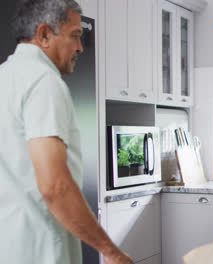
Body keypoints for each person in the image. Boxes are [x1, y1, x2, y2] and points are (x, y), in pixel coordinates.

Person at [0, 1, 133, 263]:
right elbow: (55, 187)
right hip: (43, 251)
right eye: (75, 36)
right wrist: (110, 251)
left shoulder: (5, 76)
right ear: (44, 35)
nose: (80, 48)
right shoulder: (44, 82)